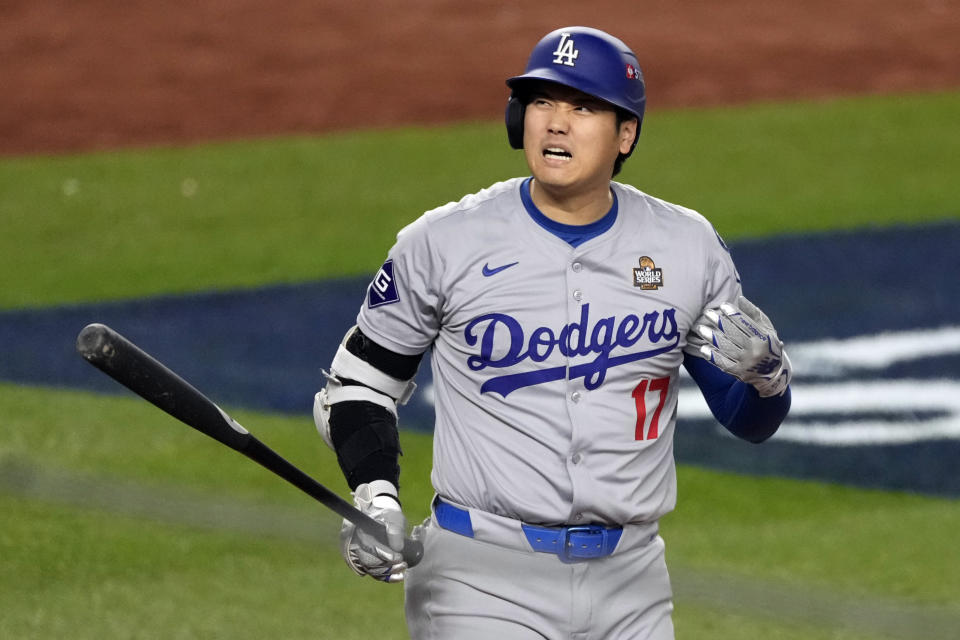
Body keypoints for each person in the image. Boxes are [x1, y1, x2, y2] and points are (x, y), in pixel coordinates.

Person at [313, 26, 792, 639]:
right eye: (542, 102)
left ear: (627, 134)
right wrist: (375, 497)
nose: (556, 123)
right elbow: (358, 387)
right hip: (481, 580)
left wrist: (769, 379)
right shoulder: (441, 244)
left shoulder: (685, 246)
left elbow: (748, 422)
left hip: (633, 580)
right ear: (518, 119)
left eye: (583, 106)